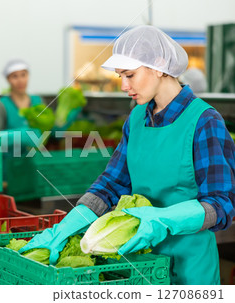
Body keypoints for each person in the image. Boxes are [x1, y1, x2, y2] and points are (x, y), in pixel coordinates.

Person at [19, 25, 235, 285]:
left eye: (130, 75)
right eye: (120, 75)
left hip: (189, 269)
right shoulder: (136, 119)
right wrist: (69, 224)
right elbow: (112, 183)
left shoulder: (204, 121)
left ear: (158, 66)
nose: (123, 85)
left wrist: (163, 220)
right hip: (138, 264)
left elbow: (222, 203)